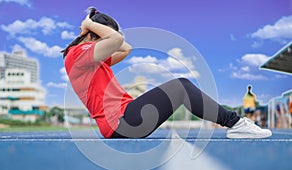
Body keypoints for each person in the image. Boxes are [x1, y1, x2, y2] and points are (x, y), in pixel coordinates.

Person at [62, 7, 272, 139]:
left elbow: (125, 48)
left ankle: (234, 123)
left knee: (180, 87)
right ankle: (235, 123)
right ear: (92, 35)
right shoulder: (78, 54)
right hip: (122, 122)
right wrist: (89, 24)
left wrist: (96, 27)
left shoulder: (90, 59)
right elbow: (116, 41)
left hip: (126, 119)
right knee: (180, 87)